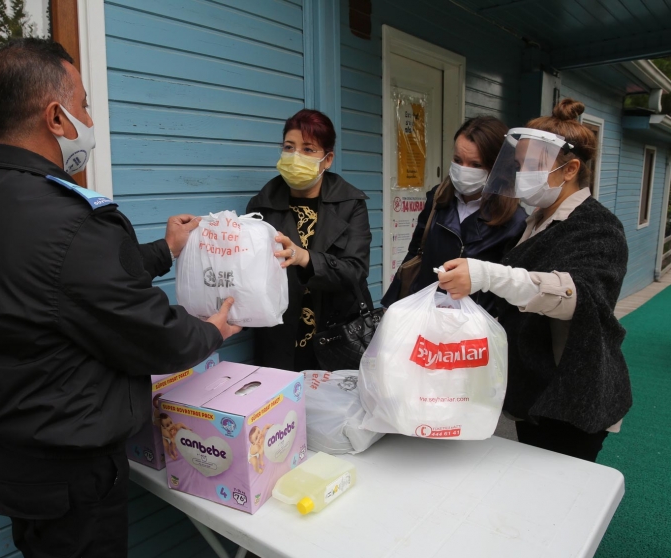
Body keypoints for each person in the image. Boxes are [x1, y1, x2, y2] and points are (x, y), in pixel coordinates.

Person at [0, 39, 240, 558]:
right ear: (56, 117)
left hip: (19, 463)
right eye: (83, 104)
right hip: (71, 480)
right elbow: (152, 334)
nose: (89, 117)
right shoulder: (69, 221)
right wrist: (213, 330)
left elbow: (64, 288)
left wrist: (163, 250)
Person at [437, 98, 632, 462]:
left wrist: (485, 273)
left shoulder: (598, 227)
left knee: (561, 490)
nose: (521, 173)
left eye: (531, 165)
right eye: (519, 164)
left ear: (570, 168)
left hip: (572, 396)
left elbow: (578, 295)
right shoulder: (538, 219)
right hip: (535, 388)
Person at [246, 109, 372, 371]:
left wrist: (306, 258)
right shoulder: (262, 205)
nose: (296, 157)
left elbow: (356, 271)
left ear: (327, 159)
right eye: (289, 147)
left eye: (308, 149)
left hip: (337, 335)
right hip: (279, 336)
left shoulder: (350, 204)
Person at [381, 116, 527, 314]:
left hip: (472, 328)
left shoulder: (515, 221)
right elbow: (416, 252)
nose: (463, 170)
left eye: (476, 164)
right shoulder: (438, 199)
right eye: (458, 160)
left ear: (497, 167)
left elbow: (508, 287)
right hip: (424, 314)